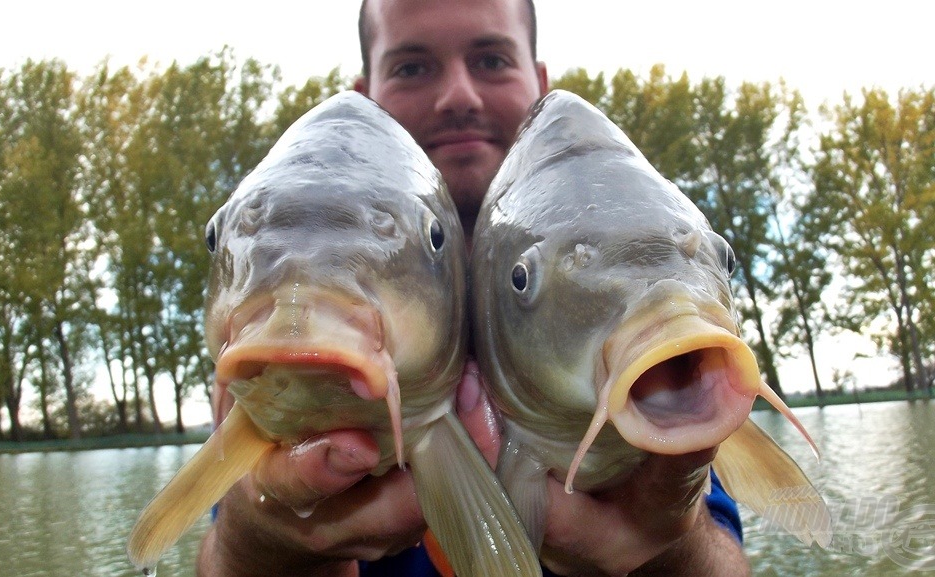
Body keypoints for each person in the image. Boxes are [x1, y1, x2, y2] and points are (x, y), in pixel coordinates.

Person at [196, 1, 751, 575]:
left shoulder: (642, 292)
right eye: (412, 67)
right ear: (367, 95)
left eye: (491, 59)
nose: (457, 95)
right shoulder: (275, 297)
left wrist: (665, 550)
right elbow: (220, 557)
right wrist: (261, 540)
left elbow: (725, 559)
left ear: (538, 83)